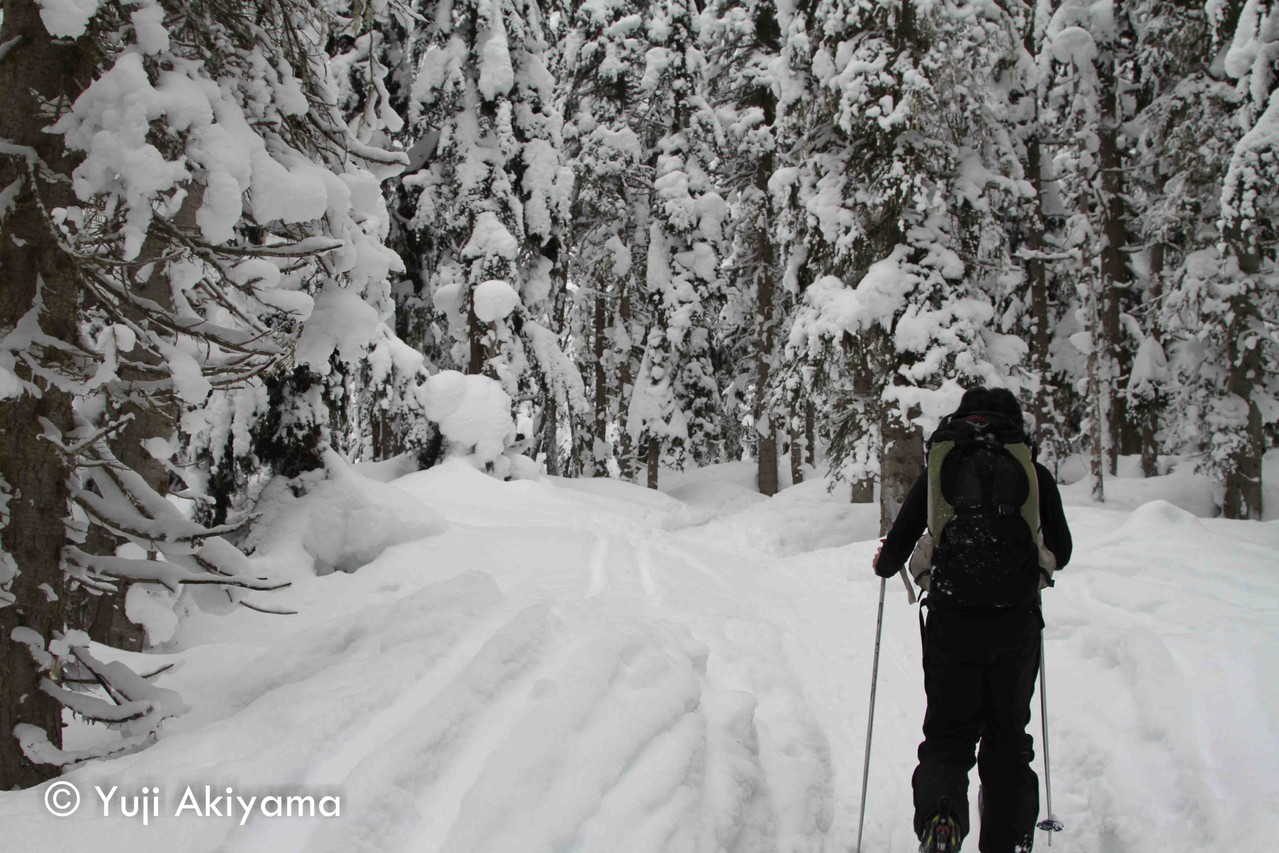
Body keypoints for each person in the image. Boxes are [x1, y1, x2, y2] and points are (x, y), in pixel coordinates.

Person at [873, 387, 1072, 853]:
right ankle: (1010, 840)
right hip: (1016, 622)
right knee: (1007, 738)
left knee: (948, 734)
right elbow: (1061, 548)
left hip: (951, 619)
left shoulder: (941, 468)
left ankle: (942, 818)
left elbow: (896, 548)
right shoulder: (1032, 471)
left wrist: (887, 563)